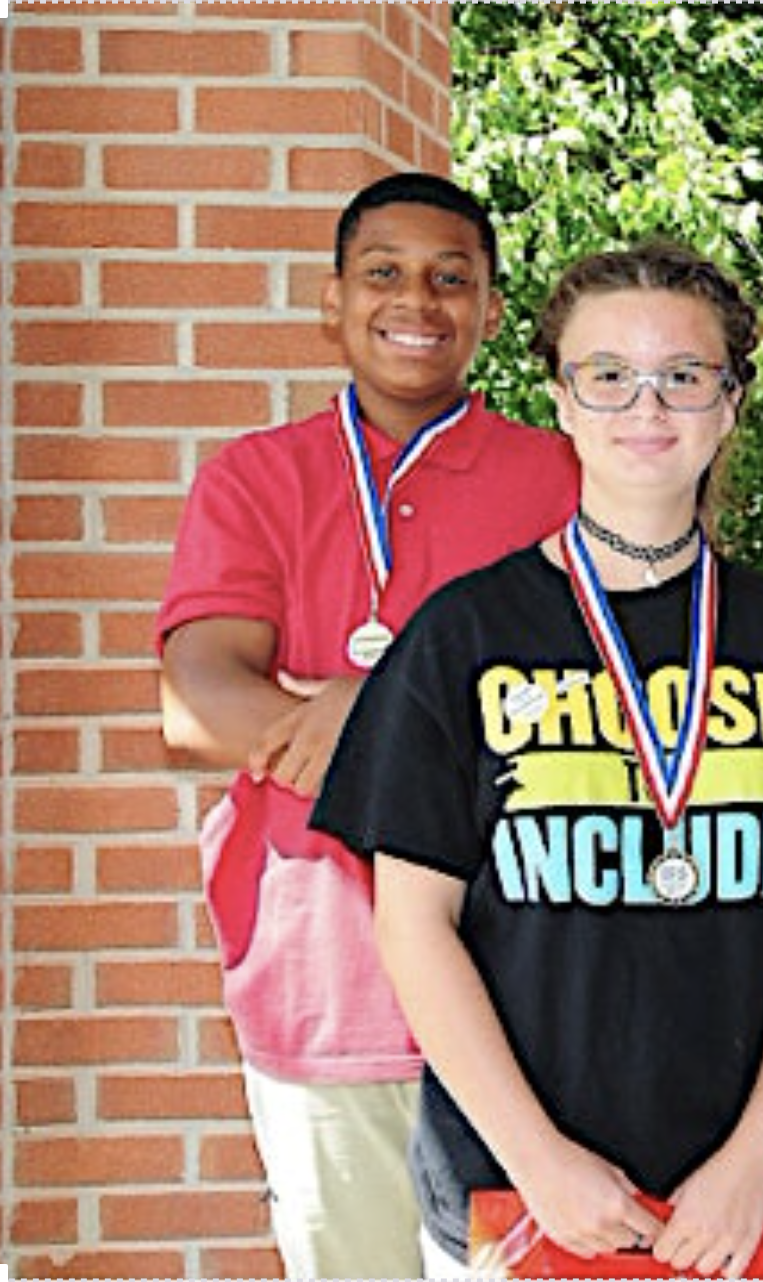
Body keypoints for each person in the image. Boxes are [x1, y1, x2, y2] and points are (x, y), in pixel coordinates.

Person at [309, 242, 763, 1278]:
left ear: (730, 402)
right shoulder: (462, 637)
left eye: (683, 375)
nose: (648, 405)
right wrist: (536, 1156)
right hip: (515, 1185)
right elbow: (413, 923)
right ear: (561, 399)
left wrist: (756, 1155)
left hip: (734, 1194)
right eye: (609, 375)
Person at [155, 171, 580, 1278]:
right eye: (383, 274)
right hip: (319, 969)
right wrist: (434, 728)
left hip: (520, 980)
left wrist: (356, 712)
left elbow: (590, 709)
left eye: (454, 279)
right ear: (333, 301)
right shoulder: (254, 477)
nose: (418, 302)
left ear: (490, 310)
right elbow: (196, 703)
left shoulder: (562, 478)